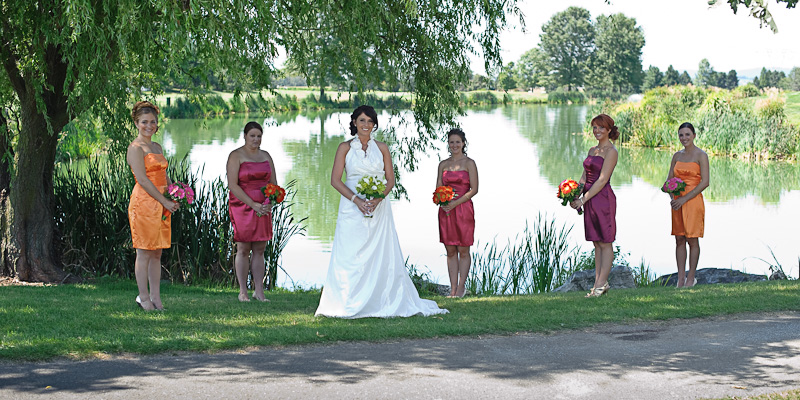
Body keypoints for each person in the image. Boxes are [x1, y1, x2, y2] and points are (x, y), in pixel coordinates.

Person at [315, 105, 448, 318]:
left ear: (374, 124)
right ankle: (348, 299)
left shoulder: (383, 148)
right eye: (361, 121)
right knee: (351, 251)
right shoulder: (344, 148)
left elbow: (391, 179)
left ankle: (381, 298)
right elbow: (335, 180)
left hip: (379, 207)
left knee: (381, 252)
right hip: (351, 206)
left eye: (369, 121)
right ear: (354, 123)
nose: (366, 125)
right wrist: (356, 200)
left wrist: (378, 199)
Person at [127, 101, 178, 311]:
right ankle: (143, 297)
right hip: (145, 203)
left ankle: (156, 298)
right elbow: (143, 180)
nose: (149, 126)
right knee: (144, 252)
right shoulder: (135, 148)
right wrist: (163, 200)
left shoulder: (157, 147)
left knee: (157, 252)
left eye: (153, 122)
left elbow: (163, 174)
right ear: (137, 123)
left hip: (162, 202)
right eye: (145, 122)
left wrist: (175, 191)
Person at [227, 121, 277, 302]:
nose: (256, 139)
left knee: (260, 248)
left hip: (263, 206)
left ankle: (259, 291)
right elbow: (233, 185)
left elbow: (274, 184)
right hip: (242, 205)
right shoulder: (236, 155)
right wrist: (252, 204)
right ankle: (243, 292)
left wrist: (269, 202)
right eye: (252, 136)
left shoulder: (266, 156)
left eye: (259, 136)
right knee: (243, 248)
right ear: (245, 136)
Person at [570, 114, 619, 298]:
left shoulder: (611, 152)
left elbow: (602, 179)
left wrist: (584, 199)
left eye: (601, 128)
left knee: (605, 242)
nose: (597, 131)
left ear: (608, 130)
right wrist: (575, 194)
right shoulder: (592, 150)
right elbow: (584, 176)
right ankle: (599, 283)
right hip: (589, 197)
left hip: (602, 198)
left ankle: (599, 285)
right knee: (596, 242)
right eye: (594, 127)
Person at [436, 128, 478, 298]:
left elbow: (474, 189)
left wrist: (455, 203)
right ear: (448, 143)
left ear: (463, 143)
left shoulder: (469, 163)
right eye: (451, 142)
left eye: (457, 142)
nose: (454, 145)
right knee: (450, 250)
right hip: (446, 211)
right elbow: (438, 188)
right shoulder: (443, 164)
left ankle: (461, 288)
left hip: (463, 209)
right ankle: (452, 289)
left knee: (463, 250)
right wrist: (442, 201)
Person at [666, 122, 709, 288]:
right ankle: (680, 279)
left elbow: (705, 182)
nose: (684, 138)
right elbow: (669, 179)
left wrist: (685, 199)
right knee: (679, 239)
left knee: (692, 239)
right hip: (677, 202)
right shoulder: (677, 156)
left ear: (694, 136)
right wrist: (672, 196)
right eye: (681, 135)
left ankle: (691, 278)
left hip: (693, 200)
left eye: (687, 135)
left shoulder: (701, 155)